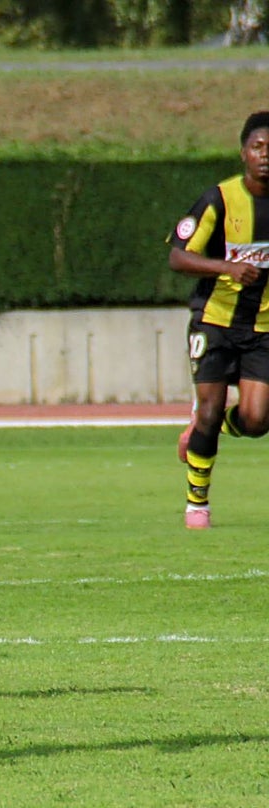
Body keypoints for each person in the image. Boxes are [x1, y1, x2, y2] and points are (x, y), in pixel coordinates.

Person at [168, 110, 269, 530]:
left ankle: (211, 428)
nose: (265, 156)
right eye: (258, 147)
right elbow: (177, 256)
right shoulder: (219, 199)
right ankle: (197, 504)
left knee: (257, 420)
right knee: (209, 409)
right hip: (214, 321)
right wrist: (227, 269)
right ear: (243, 152)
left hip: (263, 329)